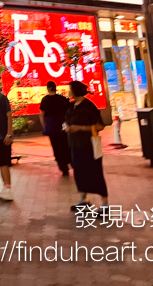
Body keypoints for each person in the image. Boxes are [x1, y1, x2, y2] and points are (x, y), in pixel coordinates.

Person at [64, 80, 109, 214]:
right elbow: (67, 121)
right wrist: (66, 127)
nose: (69, 92)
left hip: (88, 145)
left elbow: (100, 125)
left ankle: (104, 203)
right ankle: (84, 200)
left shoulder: (89, 106)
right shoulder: (72, 106)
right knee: (79, 173)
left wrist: (81, 128)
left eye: (70, 89)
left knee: (95, 172)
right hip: (75, 145)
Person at [39, 81, 72, 175]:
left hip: (51, 127)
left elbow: (42, 114)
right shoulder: (62, 99)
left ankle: (62, 166)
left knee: (56, 146)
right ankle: (69, 161)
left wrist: (44, 126)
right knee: (65, 144)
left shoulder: (45, 100)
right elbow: (68, 112)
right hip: (63, 125)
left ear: (47, 88)